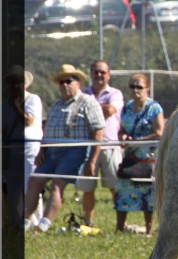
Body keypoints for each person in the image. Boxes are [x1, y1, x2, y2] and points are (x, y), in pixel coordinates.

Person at [24, 64, 105, 232]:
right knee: (34, 181)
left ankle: (44, 225)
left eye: (69, 81)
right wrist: (42, 150)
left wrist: (92, 160)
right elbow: (47, 130)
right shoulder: (56, 104)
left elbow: (98, 131)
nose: (65, 84)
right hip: (51, 151)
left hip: (74, 151)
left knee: (57, 185)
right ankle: (25, 222)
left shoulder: (88, 102)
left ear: (78, 83)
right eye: (62, 82)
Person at [114, 74, 164, 235]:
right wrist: (122, 136)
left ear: (147, 89)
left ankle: (149, 230)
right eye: (132, 86)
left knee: (147, 193)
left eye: (139, 87)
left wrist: (138, 140)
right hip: (130, 156)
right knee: (123, 189)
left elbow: (159, 132)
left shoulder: (154, 108)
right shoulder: (127, 107)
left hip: (148, 156)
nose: (135, 90)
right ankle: (119, 228)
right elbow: (121, 129)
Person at [75, 60, 124, 226]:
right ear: (91, 74)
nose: (99, 75)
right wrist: (98, 107)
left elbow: (110, 111)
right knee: (88, 188)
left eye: (103, 72)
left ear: (109, 75)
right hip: (88, 149)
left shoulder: (115, 94)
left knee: (115, 188)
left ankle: (120, 224)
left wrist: (89, 107)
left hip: (110, 147)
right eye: (96, 71)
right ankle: (87, 223)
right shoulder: (83, 93)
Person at [2, 66, 43, 228]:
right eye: (12, 83)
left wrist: (16, 106)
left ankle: (35, 221)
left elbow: (28, 121)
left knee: (31, 186)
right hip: (12, 152)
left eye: (19, 82)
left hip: (30, 151)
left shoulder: (33, 99)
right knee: (13, 189)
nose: (16, 86)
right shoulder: (4, 105)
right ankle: (16, 221)